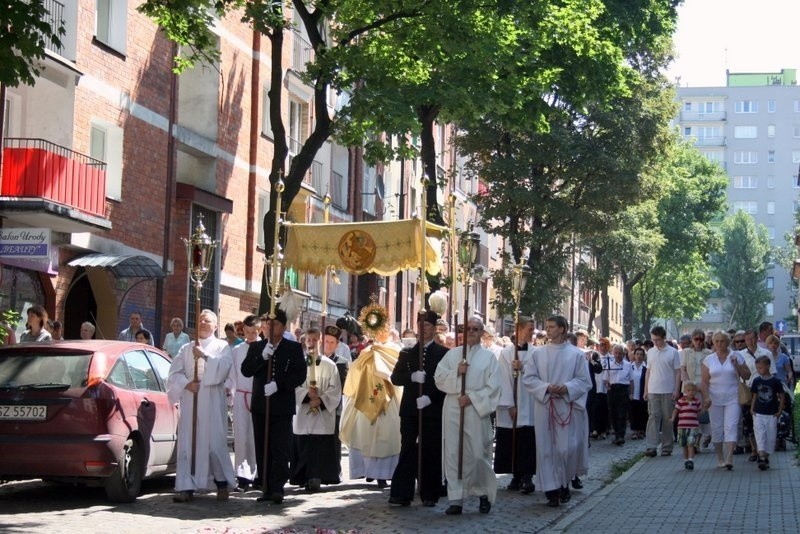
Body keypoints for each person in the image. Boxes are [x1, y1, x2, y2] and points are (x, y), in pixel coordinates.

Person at [166, 309, 236, 502]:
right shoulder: (186, 348)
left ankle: (221, 483)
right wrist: (186, 384)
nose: (203, 323)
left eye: (207, 321)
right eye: (200, 320)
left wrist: (204, 356)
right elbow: (174, 373)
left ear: (215, 326)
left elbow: (224, 369)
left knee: (214, 443)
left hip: (212, 399)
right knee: (189, 443)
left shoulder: (222, 346)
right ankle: (186, 487)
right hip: (192, 399)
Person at [522, 315, 591, 508]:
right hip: (545, 406)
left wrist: (567, 387)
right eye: (547, 326)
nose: (548, 330)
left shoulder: (576, 354)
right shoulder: (538, 353)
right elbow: (529, 378)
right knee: (546, 449)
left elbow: (585, 381)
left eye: (552, 327)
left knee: (566, 448)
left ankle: (564, 482)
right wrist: (546, 387)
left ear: (562, 329)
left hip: (567, 407)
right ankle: (551, 490)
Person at [434, 316, 501, 515]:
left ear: (482, 332)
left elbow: (494, 387)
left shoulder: (489, 358)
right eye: (468, 328)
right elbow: (438, 378)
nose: (471, 332)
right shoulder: (452, 355)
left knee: (478, 452)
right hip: (453, 408)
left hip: (476, 411)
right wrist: (457, 372)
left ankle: (483, 495)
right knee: (454, 452)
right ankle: (456, 498)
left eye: (475, 329)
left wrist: (471, 397)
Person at [240, 308, 306, 505]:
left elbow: (299, 375)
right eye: (268, 324)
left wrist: (279, 384)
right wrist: (262, 357)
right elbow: (246, 370)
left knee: (280, 447)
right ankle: (266, 487)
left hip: (281, 406)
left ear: (283, 327)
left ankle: (278, 487)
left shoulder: (292, 348)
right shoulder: (256, 347)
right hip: (261, 405)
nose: (270, 327)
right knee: (262, 446)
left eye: (275, 324)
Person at [388, 310, 448, 507]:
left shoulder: (443, 353)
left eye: (428, 326)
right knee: (408, 449)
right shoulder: (407, 353)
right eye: (421, 326)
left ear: (434, 328)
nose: (424, 330)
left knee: (430, 450)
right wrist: (411, 376)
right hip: (410, 410)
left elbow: (446, 383)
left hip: (431, 410)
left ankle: (430, 492)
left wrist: (431, 398)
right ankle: (402, 492)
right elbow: (395, 378)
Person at [340, 302, 402, 489]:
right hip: (366, 398)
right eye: (377, 329)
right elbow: (355, 374)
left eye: (383, 329)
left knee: (388, 434)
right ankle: (368, 471)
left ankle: (384, 474)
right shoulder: (365, 352)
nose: (380, 333)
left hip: (389, 401)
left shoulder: (395, 351)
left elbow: (397, 376)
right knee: (365, 432)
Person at [290, 326, 342, 492]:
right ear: (304, 342)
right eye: (308, 340)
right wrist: (306, 396)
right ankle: (301, 476)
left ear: (320, 341)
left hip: (321, 412)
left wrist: (320, 400)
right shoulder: (298, 363)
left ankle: (317, 476)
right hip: (304, 412)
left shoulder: (330, 365)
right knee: (303, 444)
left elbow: (335, 389)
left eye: (314, 340)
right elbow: (294, 385)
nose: (311, 343)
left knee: (318, 447)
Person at [495, 316, 536, 494]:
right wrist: (509, 404)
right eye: (529, 330)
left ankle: (527, 476)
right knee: (512, 440)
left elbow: (539, 374)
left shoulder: (536, 352)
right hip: (511, 402)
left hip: (530, 402)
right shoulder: (506, 353)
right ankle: (515, 475)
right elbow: (502, 378)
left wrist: (524, 367)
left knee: (527, 440)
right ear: (518, 329)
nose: (532, 333)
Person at [700, 330, 751, 470]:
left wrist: (737, 366)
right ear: (713, 343)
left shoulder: (736, 356)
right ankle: (720, 458)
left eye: (722, 341)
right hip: (714, 398)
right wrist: (706, 397)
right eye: (716, 341)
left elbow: (747, 375)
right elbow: (704, 382)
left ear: (728, 342)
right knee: (716, 428)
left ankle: (729, 457)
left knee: (731, 426)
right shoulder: (709, 359)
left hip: (733, 396)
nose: (719, 344)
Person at [227, 314, 260, 491]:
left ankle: (257, 474)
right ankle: (242, 474)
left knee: (255, 436)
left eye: (254, 332)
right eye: (247, 332)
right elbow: (232, 374)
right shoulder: (237, 351)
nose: (250, 335)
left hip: (258, 396)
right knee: (241, 437)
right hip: (241, 395)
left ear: (259, 330)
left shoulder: (265, 348)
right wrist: (229, 391)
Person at [643, 325, 682, 457]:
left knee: (668, 419)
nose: (655, 342)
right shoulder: (651, 352)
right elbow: (648, 371)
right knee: (653, 417)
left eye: (657, 340)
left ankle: (666, 447)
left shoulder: (673, 352)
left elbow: (678, 372)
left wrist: (676, 389)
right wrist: (646, 389)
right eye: (653, 340)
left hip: (668, 390)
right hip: (653, 390)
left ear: (664, 338)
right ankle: (651, 446)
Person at [321, 325, 351, 470]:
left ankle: (333, 470)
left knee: (333, 439)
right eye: (326, 341)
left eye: (332, 342)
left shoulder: (342, 362)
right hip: (316, 403)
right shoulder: (313, 358)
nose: (329, 345)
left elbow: (345, 385)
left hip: (334, 406)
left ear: (337, 345)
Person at [749, 355, 785, 470]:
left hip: (771, 413)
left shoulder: (775, 381)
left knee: (770, 436)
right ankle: (761, 457)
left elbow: (782, 396)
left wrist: (779, 410)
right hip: (758, 413)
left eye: (761, 368)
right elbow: (754, 395)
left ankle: (766, 455)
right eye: (757, 368)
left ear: (768, 366)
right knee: (760, 435)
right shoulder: (756, 380)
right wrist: (752, 408)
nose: (759, 370)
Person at [680, 329, 711, 448]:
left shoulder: (708, 353)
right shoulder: (686, 352)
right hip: (690, 386)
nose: (698, 341)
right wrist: (689, 384)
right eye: (696, 339)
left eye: (701, 339)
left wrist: (705, 384)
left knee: (703, 413)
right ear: (692, 340)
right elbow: (683, 369)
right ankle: (691, 442)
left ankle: (699, 441)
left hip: (704, 384)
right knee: (691, 414)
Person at [604, 343, 633, 446]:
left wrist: (631, 393)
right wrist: (607, 385)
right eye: (615, 353)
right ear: (613, 353)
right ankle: (616, 435)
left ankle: (621, 435)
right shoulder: (609, 365)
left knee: (622, 414)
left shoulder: (628, 365)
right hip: (612, 390)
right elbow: (605, 379)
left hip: (623, 389)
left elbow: (631, 381)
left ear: (623, 353)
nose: (617, 355)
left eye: (620, 353)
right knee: (613, 413)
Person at [670, 381, 703, 470]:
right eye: (689, 390)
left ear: (695, 392)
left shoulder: (697, 402)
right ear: (685, 391)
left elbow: (700, 412)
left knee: (691, 444)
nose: (691, 392)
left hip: (693, 426)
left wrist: (704, 410)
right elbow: (676, 410)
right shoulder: (681, 401)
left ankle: (691, 460)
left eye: (693, 391)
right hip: (682, 426)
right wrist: (673, 418)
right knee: (684, 444)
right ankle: (685, 460)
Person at [592, 338, 612, 440]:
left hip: (606, 387)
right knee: (596, 408)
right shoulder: (595, 357)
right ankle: (595, 429)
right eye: (600, 345)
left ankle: (604, 430)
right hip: (596, 385)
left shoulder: (611, 358)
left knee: (605, 409)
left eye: (604, 345)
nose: (602, 347)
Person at [629, 347, 648, 440]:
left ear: (643, 356)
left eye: (641, 354)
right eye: (637, 354)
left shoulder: (646, 368)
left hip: (642, 393)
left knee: (642, 412)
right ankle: (634, 431)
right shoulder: (630, 367)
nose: (639, 356)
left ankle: (642, 430)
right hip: (633, 393)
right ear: (634, 355)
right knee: (633, 412)